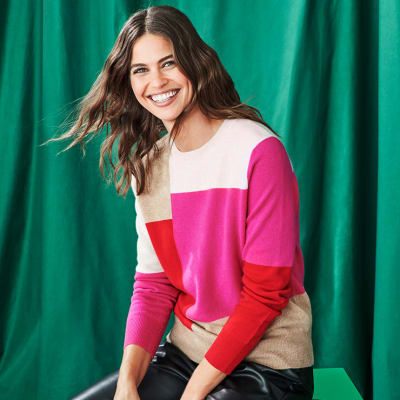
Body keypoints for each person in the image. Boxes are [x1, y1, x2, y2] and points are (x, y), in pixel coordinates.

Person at [46, 5, 314, 400]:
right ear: (129, 82)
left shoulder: (258, 150)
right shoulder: (149, 168)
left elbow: (265, 294)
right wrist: (127, 382)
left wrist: (193, 394)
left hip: (270, 368)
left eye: (168, 63)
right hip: (184, 356)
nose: (157, 81)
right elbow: (153, 287)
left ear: (195, 63)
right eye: (140, 70)